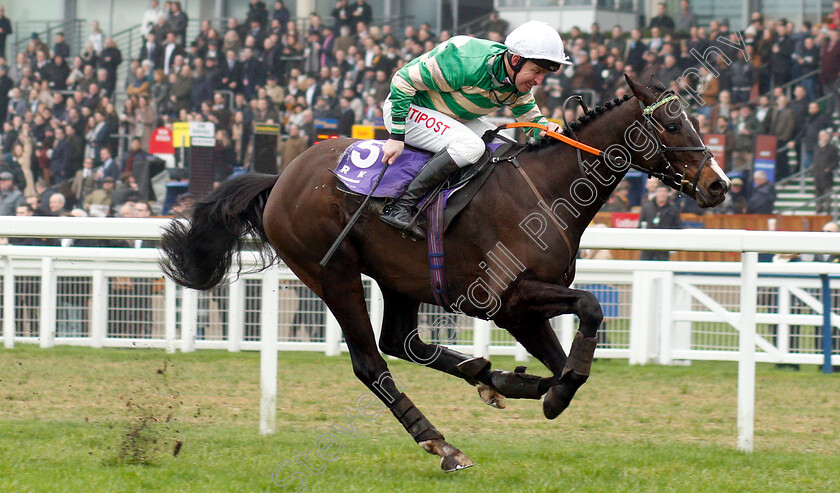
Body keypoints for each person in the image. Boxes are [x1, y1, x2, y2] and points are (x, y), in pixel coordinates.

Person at [379, 21, 571, 238]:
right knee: (471, 146)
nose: (539, 81)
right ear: (516, 60)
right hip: (408, 109)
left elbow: (530, 118)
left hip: (449, 116)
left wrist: (545, 129)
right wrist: (397, 136)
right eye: (536, 71)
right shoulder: (464, 61)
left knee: (504, 144)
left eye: (545, 74)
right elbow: (402, 81)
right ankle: (402, 206)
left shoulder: (516, 82)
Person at [639, 184, 682, 260]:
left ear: (668, 194)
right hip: (648, 242)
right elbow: (641, 224)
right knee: (645, 265)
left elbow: (678, 227)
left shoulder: (674, 209)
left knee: (663, 266)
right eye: (659, 191)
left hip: (664, 242)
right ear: (656, 193)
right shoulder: (647, 207)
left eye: (664, 191)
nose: (662, 194)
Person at [811, 130, 838, 215]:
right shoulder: (816, 147)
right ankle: (818, 209)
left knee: (827, 194)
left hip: (827, 176)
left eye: (822, 135)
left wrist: (829, 169)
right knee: (818, 193)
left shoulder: (832, 148)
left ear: (827, 137)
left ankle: (828, 210)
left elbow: (836, 161)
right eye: (820, 135)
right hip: (817, 175)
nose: (820, 137)